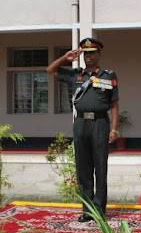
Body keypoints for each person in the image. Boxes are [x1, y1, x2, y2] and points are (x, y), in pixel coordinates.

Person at [47, 38, 119, 222]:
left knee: (100, 167)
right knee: (83, 168)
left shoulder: (108, 76)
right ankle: (87, 211)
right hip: (80, 124)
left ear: (99, 55)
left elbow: (114, 104)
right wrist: (65, 57)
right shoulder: (75, 75)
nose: (88, 56)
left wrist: (114, 129)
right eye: (85, 53)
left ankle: (99, 210)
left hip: (100, 124)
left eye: (92, 53)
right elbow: (51, 70)